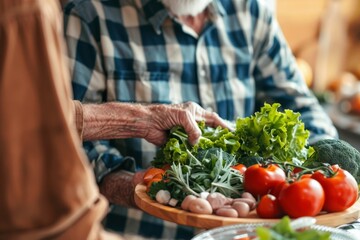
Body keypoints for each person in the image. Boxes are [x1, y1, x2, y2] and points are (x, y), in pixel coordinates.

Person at [63, 0, 339, 238]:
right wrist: (150, 187)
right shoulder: (90, 15)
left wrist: (320, 176)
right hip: (134, 233)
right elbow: (66, 141)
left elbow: (300, 106)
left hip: (241, 233)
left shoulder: (249, 11)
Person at [0, 0, 228, 239]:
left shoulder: (251, 12)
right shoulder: (35, 11)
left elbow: (51, 117)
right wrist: (141, 186)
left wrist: (143, 119)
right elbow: (53, 220)